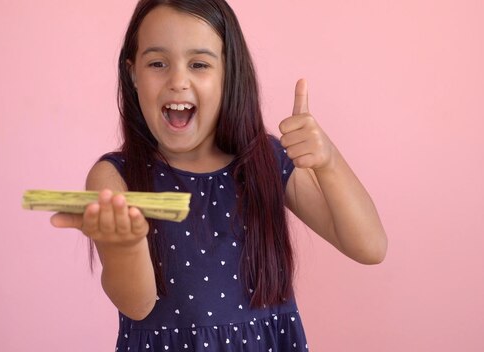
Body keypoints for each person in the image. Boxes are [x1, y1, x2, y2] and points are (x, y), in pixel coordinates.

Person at [50, 0, 387, 350]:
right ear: (133, 73)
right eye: (157, 63)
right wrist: (126, 244)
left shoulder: (266, 160)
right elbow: (137, 306)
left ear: (229, 72)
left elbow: (371, 247)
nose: (178, 81)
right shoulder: (114, 178)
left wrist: (328, 161)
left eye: (199, 64)